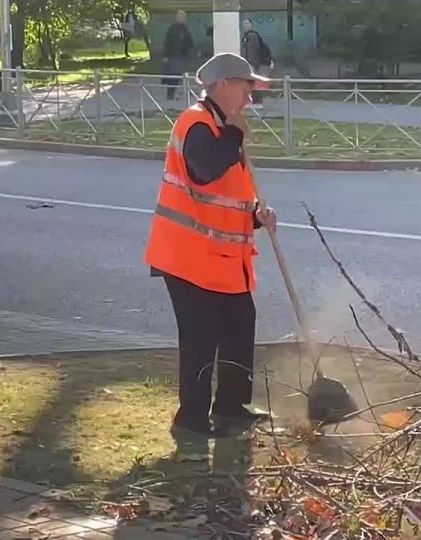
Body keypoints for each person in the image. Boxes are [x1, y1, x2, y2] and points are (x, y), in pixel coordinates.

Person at [143, 52, 276, 438]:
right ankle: (192, 421)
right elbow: (203, 171)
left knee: (239, 325)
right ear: (220, 86)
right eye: (245, 89)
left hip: (223, 261)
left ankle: (232, 408)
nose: (250, 100)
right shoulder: (197, 124)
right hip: (188, 258)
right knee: (200, 337)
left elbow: (225, 199)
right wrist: (234, 134)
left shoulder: (224, 128)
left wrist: (256, 216)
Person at [162, 9, 194, 101]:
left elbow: (188, 40)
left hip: (182, 56)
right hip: (173, 56)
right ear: (177, 17)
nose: (182, 18)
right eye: (180, 16)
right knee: (173, 76)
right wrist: (165, 55)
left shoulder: (184, 28)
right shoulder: (172, 28)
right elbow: (167, 43)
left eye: (183, 17)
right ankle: (170, 94)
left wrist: (192, 49)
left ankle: (181, 93)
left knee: (180, 75)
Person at [240, 19, 271, 106]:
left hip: (252, 64)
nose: (245, 26)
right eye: (244, 24)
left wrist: (252, 64)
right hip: (250, 64)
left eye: (247, 23)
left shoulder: (252, 36)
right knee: (251, 83)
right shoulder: (246, 36)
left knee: (253, 83)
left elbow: (253, 51)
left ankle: (257, 102)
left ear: (251, 25)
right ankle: (254, 101)